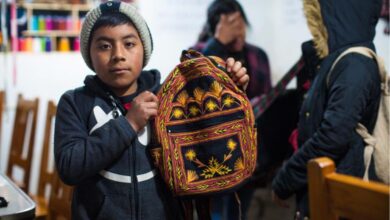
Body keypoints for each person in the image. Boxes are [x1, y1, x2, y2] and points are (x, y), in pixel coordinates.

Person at [54, 1, 250, 220]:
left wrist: (229, 89)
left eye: (129, 44)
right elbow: (69, 167)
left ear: (144, 49)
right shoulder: (75, 102)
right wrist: (129, 124)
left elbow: (208, 135)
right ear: (89, 53)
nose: (118, 54)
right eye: (104, 46)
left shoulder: (168, 97)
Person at [271, 0, 382, 219]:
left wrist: (285, 180)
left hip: (341, 197)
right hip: (326, 190)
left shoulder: (354, 64)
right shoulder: (337, 62)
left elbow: (332, 137)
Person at [192, 0, 272, 219]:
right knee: (215, 212)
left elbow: (267, 103)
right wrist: (218, 42)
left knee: (241, 212)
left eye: (240, 23)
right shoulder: (200, 53)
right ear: (216, 28)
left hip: (248, 153)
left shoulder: (257, 56)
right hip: (211, 155)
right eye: (230, 24)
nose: (237, 31)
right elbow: (195, 92)